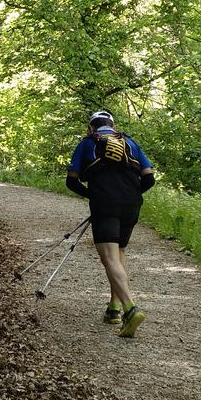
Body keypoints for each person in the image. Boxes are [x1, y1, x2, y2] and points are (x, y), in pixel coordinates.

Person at [66, 109, 155, 338]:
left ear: (91, 127)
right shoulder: (130, 141)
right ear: (113, 127)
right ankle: (114, 309)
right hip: (132, 204)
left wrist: (92, 195)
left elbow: (72, 180)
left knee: (109, 257)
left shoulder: (87, 143)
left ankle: (130, 308)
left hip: (105, 203)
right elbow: (149, 176)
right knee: (119, 252)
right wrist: (132, 195)